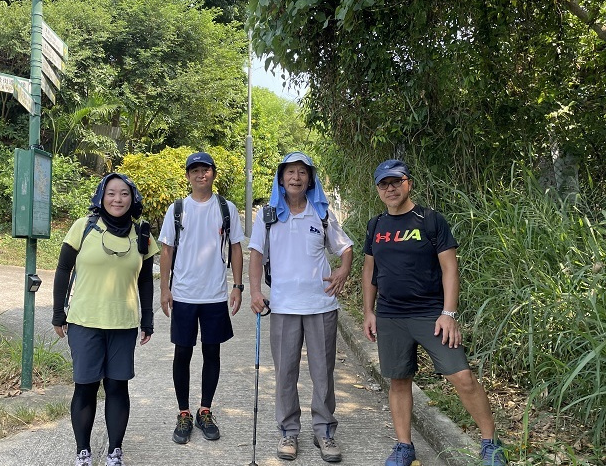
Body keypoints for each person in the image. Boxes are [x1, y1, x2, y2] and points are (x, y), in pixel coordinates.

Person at [361, 159, 508, 466]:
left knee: (462, 376)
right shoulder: (375, 225)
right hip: (390, 316)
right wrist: (368, 312)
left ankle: (490, 444)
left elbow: (450, 268)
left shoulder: (429, 220)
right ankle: (404, 446)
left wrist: (449, 313)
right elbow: (369, 271)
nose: (390, 188)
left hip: (431, 314)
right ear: (377, 189)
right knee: (398, 380)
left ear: (408, 183)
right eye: (383, 184)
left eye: (396, 182)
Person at [248, 151, 353, 463]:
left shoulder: (321, 213)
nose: (296, 177)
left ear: (310, 180)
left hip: (321, 304)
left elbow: (345, 247)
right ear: (281, 179)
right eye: (290, 172)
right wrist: (255, 291)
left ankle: (324, 431)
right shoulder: (268, 215)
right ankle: (288, 431)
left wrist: (343, 271)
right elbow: (256, 254)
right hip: (283, 306)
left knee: (323, 372)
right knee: (285, 373)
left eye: (302, 172)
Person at [52, 173, 160, 466]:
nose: (117, 199)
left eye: (124, 193)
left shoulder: (142, 235)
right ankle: (83, 452)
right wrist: (58, 313)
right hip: (84, 322)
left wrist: (147, 319)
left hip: (123, 323)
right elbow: (63, 269)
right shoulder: (83, 227)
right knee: (85, 386)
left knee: (117, 387)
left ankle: (114, 451)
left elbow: (145, 281)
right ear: (101, 196)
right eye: (111, 193)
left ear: (132, 198)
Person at [158, 151, 245, 444]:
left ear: (213, 174)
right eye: (194, 170)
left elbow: (235, 247)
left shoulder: (226, 208)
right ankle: (183, 413)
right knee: (182, 353)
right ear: (188, 176)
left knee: (212, 352)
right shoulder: (177, 209)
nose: (200, 174)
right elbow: (166, 249)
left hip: (215, 294)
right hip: (183, 293)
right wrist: (165, 289)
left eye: (205, 169)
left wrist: (238, 286)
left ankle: (204, 410)